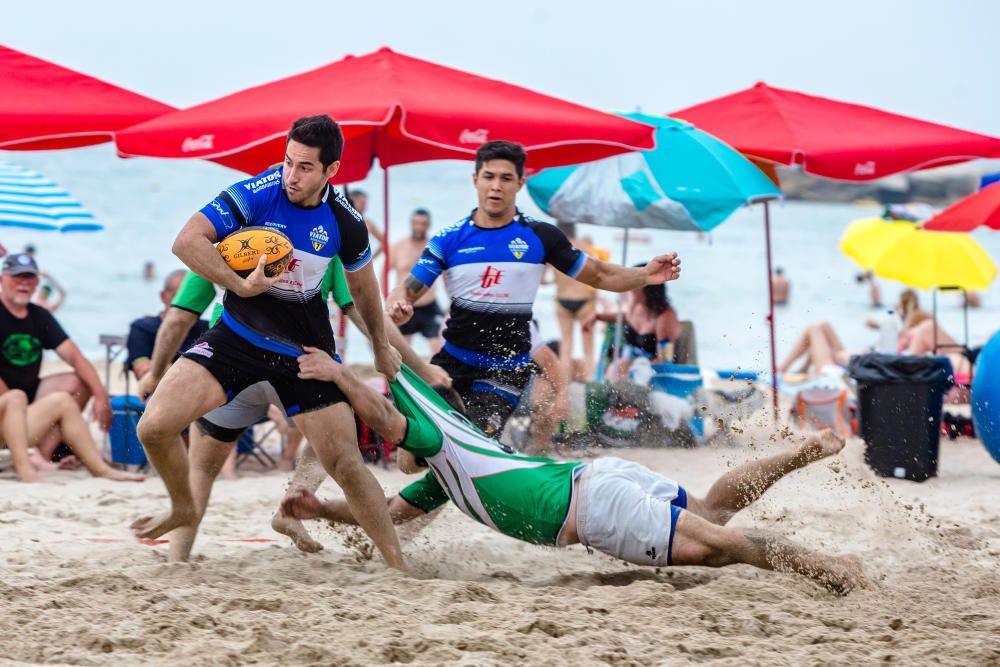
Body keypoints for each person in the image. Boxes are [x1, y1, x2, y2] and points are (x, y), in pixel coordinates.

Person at [282, 358, 865, 593]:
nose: (396, 453)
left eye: (398, 446)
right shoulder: (447, 473)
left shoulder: (437, 441)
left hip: (594, 510)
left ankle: (830, 570)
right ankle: (804, 451)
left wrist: (338, 375)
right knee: (712, 512)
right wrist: (319, 509)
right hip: (598, 478)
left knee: (717, 547)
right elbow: (387, 510)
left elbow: (385, 415)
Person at [132, 115, 406, 571]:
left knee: (346, 465)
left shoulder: (345, 222)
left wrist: (380, 345)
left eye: (303, 168)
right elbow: (186, 242)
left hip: (304, 354)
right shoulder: (257, 193)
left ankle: (397, 566)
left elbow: (362, 290)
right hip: (235, 340)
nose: (291, 176)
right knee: (152, 428)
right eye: (287, 162)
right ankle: (183, 508)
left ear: (330, 171)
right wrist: (237, 285)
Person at [136, 263, 450, 561]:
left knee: (201, 469)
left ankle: (177, 560)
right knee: (340, 452)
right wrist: (421, 367)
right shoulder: (325, 240)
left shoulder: (225, 240)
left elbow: (179, 318)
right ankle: (384, 559)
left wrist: (156, 372)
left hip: (231, 362)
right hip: (300, 364)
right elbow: (365, 316)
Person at [386, 140, 681, 436]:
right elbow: (409, 288)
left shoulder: (540, 237)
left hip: (504, 370)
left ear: (520, 183)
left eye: (506, 178)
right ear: (475, 180)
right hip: (452, 361)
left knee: (471, 442)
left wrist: (644, 275)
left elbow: (600, 275)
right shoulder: (448, 240)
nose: (496, 186)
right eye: (488, 177)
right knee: (417, 449)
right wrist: (396, 303)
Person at [0, 254, 143, 482]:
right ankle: (26, 469)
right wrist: (15, 415)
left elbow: (76, 356)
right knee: (14, 397)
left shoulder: (38, 315)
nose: (23, 283)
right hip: (6, 410)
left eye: (29, 278)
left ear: (37, 282)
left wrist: (101, 397)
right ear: (2, 279)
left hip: (23, 409)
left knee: (73, 389)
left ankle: (96, 468)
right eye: (17, 277)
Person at [584, 276, 680, 379]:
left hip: (651, 372)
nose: (631, 290)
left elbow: (665, 359)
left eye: (634, 285)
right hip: (628, 364)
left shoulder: (665, 317)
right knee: (614, 367)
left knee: (618, 370)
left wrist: (633, 367)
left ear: (648, 288)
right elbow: (624, 317)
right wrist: (597, 317)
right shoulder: (637, 306)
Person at [126, 269, 208, 381]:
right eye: (178, 296)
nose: (186, 302)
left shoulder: (209, 329)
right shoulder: (143, 327)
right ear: (163, 296)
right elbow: (143, 372)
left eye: (192, 297)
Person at [550, 226, 606, 383]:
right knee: (588, 350)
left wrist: (555, 281)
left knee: (566, 346)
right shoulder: (587, 248)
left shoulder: (554, 248)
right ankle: (590, 387)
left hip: (562, 300)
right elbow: (598, 275)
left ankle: (563, 389)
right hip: (585, 302)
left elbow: (542, 279)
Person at [390, 209, 443, 353]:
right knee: (402, 349)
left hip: (429, 306)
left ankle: (435, 375)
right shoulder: (399, 246)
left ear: (429, 225)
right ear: (411, 223)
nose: (419, 226)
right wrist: (386, 299)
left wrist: (453, 300)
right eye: (416, 223)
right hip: (405, 304)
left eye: (423, 223)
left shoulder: (434, 247)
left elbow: (447, 275)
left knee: (437, 346)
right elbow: (384, 273)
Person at [348, 189, 385, 259]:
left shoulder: (368, 223)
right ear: (351, 201)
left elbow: (384, 241)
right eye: (362, 203)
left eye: (365, 204)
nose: (364, 207)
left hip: (360, 261)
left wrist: (371, 258)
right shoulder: (341, 219)